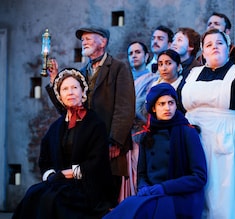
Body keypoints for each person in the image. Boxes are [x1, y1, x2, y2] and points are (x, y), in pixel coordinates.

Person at [181, 28, 235, 219]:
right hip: (195, 143)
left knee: (226, 196)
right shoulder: (191, 74)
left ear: (229, 48)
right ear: (202, 51)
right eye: (209, 44)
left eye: (219, 43)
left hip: (231, 142)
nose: (214, 47)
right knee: (199, 196)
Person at [46, 26, 135, 205]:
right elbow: (68, 109)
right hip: (88, 149)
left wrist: (115, 141)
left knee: (110, 201)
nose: (83, 41)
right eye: (82, 39)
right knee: (88, 201)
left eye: (88, 38)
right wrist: (55, 79)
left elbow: (125, 107)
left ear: (103, 42)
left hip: (111, 148)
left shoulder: (118, 68)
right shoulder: (82, 72)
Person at [13, 69, 114, 219]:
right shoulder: (56, 127)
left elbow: (97, 162)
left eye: (74, 87)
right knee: (33, 195)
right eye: (65, 89)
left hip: (86, 185)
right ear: (60, 96)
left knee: (54, 201)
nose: (70, 92)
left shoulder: (95, 123)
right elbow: (45, 160)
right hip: (58, 183)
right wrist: (52, 175)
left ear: (83, 92)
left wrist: (67, 174)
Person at [103, 83, 207, 219]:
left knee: (145, 212)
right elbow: (142, 173)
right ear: (153, 108)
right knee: (125, 209)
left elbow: (199, 177)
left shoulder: (188, 132)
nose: (167, 108)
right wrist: (144, 188)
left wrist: (164, 188)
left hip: (180, 196)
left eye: (171, 103)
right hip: (153, 194)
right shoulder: (148, 135)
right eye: (161, 104)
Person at [125, 41, 158, 197]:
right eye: (130, 53)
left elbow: (146, 107)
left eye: (138, 52)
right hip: (124, 135)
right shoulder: (124, 79)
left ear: (146, 56)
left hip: (142, 133)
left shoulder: (153, 79)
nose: (134, 56)